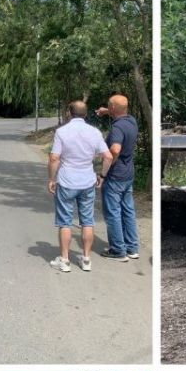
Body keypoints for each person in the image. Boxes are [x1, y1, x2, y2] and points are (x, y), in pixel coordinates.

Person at [48, 100, 113, 273]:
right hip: (87, 182)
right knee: (87, 221)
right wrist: (102, 176)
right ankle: (86, 259)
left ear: (69, 113)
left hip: (67, 181)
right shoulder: (94, 132)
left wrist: (51, 179)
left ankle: (65, 260)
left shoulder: (62, 132)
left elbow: (54, 158)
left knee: (65, 222)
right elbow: (108, 157)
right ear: (85, 114)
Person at [96, 94, 140, 262]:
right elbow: (118, 109)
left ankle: (118, 250)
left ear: (113, 108)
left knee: (113, 212)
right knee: (128, 210)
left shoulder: (117, 128)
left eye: (109, 105)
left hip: (115, 176)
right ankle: (131, 248)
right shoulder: (131, 121)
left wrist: (103, 173)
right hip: (128, 175)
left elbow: (114, 150)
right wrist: (106, 111)